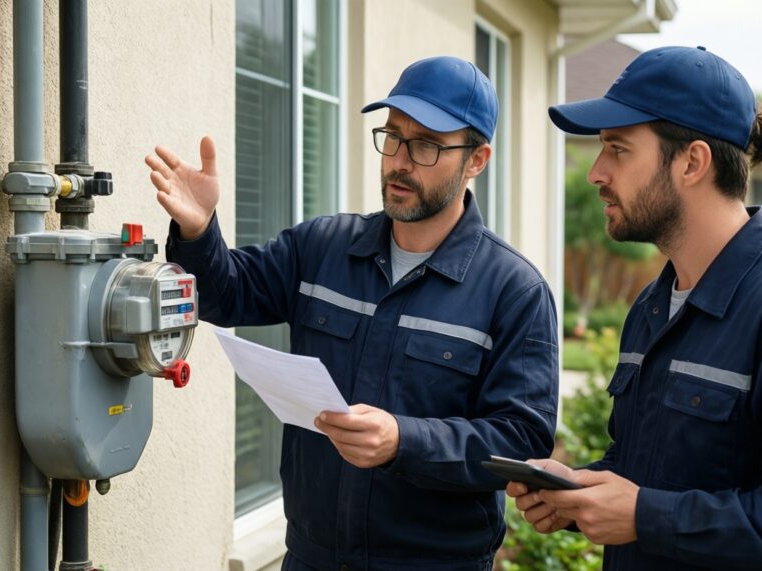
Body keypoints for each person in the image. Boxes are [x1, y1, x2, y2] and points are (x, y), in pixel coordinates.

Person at [147, 56, 559, 571]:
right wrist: (198, 230)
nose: (399, 161)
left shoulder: (514, 291)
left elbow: (520, 440)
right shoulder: (323, 247)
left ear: (477, 160)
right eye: (393, 136)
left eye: (426, 145)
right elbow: (224, 295)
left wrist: (404, 440)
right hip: (310, 558)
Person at [508, 46, 762, 570]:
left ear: (692, 162)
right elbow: (650, 469)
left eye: (617, 149)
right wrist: (582, 492)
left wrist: (644, 516)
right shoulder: (652, 307)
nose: (596, 173)